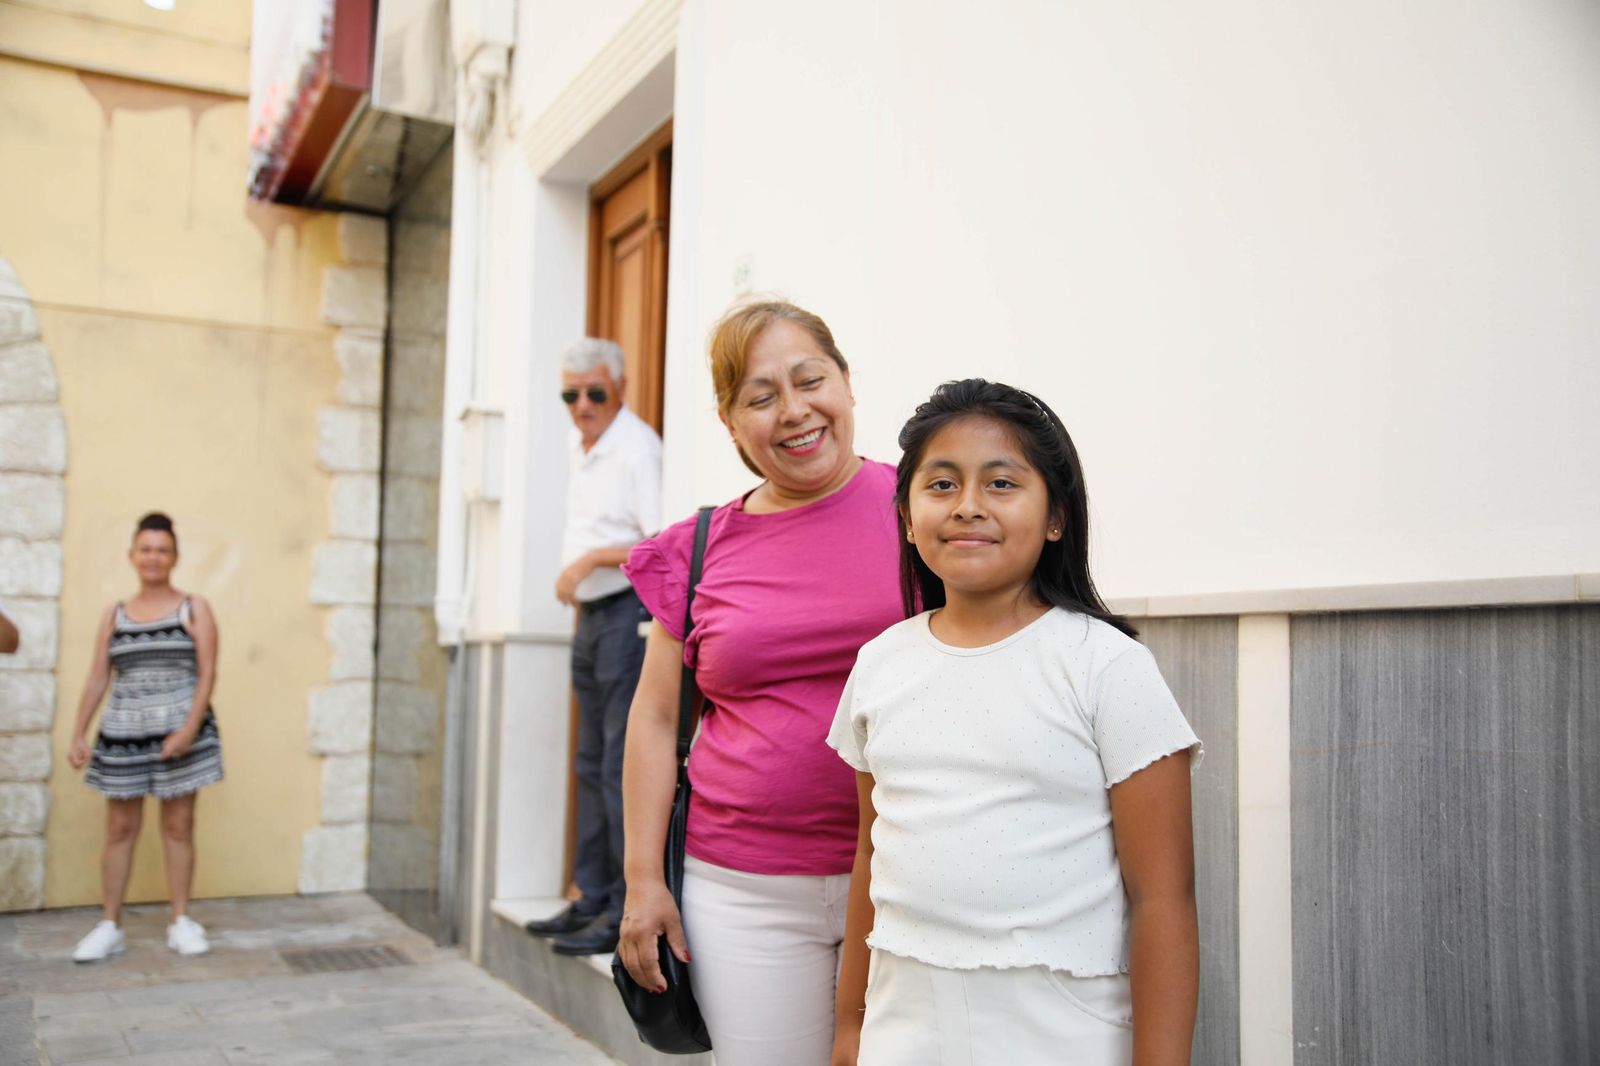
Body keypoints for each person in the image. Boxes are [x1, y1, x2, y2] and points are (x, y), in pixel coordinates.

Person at [827, 379, 1202, 1066]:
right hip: (904, 1024)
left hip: (1064, 1030)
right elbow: (869, 856)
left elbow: (1163, 899)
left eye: (1001, 484)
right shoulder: (880, 664)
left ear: (1057, 516)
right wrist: (851, 1030)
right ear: (908, 517)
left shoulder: (1106, 667)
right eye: (941, 485)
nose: (968, 506)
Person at [617, 301, 903, 1065]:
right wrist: (643, 882)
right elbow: (652, 719)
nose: (794, 411)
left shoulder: (924, 511)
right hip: (742, 891)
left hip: (910, 879)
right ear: (730, 421)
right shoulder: (699, 548)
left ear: (846, 382)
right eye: (761, 396)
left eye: (810, 380)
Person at [524, 338, 663, 956]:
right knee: (588, 760)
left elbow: (658, 543)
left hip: (627, 615)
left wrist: (586, 562)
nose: (582, 405)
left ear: (621, 388)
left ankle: (618, 909)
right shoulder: (586, 448)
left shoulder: (637, 449)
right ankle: (590, 893)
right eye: (570, 394)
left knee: (614, 763)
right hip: (592, 616)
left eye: (594, 392)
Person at [67, 511, 223, 962]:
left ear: (175, 557)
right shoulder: (114, 614)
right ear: (133, 556)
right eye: (146, 549)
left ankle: (180, 921)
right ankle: (109, 926)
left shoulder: (195, 607)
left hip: (180, 733)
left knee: (178, 827)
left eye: (163, 550)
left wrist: (189, 728)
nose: (154, 557)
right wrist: (79, 731)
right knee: (119, 829)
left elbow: (208, 671)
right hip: (123, 733)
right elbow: (99, 676)